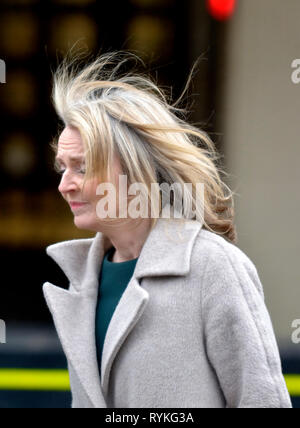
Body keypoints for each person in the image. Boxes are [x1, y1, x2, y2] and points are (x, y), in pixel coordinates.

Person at [43, 51, 292, 408]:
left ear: (135, 170)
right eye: (62, 168)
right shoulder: (83, 277)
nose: (64, 185)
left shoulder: (213, 267)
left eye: (81, 168)